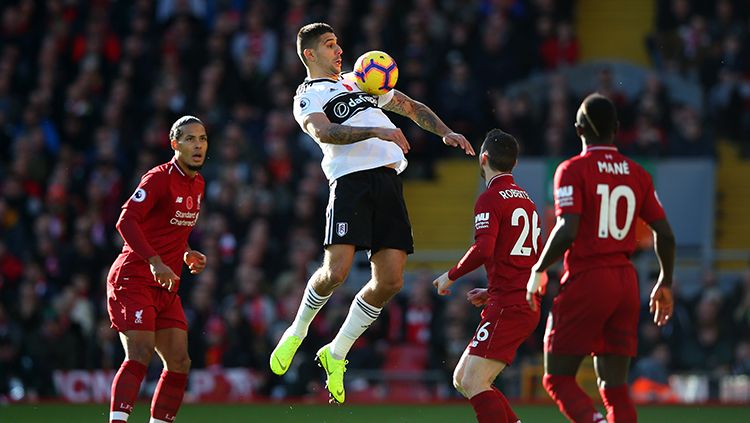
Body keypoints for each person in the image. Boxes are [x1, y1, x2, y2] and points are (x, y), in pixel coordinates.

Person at [269, 22, 475, 404]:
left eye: (338, 42)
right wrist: (376, 132)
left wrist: (444, 132)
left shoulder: (360, 80)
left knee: (392, 281)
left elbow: (410, 107)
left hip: (389, 182)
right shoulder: (307, 96)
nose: (339, 49)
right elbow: (324, 132)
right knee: (337, 272)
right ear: (310, 54)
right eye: (330, 45)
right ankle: (296, 330)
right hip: (350, 181)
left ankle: (336, 352)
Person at [526, 93, 675, 423]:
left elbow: (568, 228)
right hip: (625, 281)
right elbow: (665, 234)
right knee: (615, 387)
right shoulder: (638, 173)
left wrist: (538, 268)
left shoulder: (572, 169)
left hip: (588, 278)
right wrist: (665, 280)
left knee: (558, 378)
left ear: (578, 128)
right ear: (617, 129)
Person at [433, 129, 541, 423]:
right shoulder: (528, 203)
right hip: (515, 299)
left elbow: (483, 249)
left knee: (473, 382)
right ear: (513, 164)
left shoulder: (490, 198)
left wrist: (450, 276)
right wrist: (493, 289)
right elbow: (531, 259)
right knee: (462, 378)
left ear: (483, 159)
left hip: (510, 304)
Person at [107, 116, 208, 423]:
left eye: (202, 139)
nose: (198, 145)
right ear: (174, 144)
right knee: (140, 353)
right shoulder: (158, 178)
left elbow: (170, 229)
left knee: (179, 361)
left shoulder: (199, 183)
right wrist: (155, 261)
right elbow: (126, 221)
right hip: (135, 277)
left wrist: (188, 253)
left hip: (166, 285)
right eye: (189, 139)